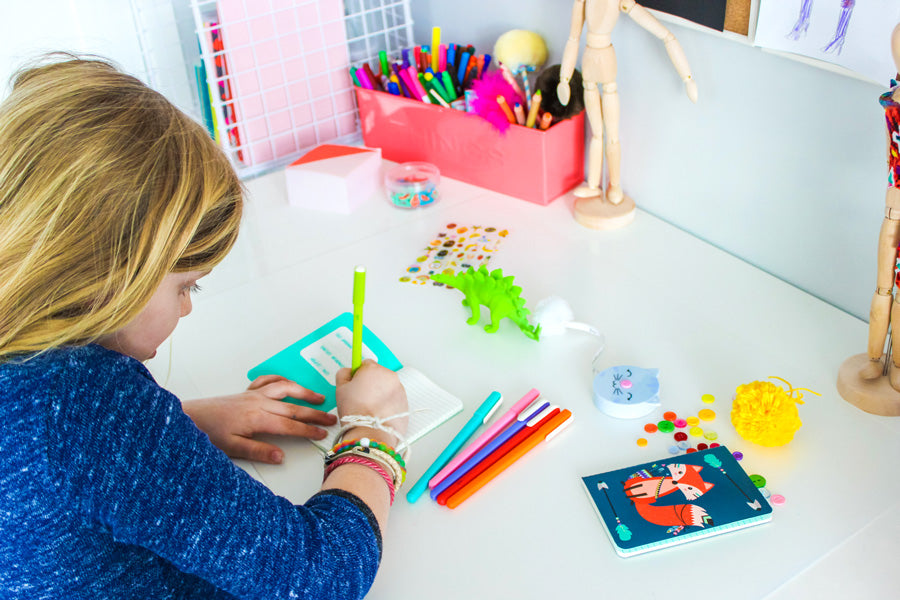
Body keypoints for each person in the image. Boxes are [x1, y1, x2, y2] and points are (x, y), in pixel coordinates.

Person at [0, 55, 408, 599]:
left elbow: (39, 465)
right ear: (116, 276)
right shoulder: (85, 405)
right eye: (185, 286)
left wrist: (175, 426)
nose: (188, 307)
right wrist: (372, 436)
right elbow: (317, 577)